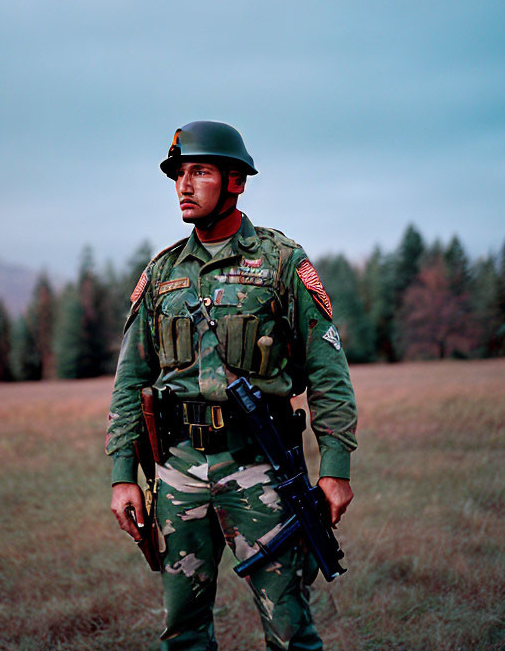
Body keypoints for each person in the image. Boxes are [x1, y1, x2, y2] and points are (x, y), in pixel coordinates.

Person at [106, 120, 358, 650]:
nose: (184, 184)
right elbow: (130, 381)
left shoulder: (281, 263)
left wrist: (335, 467)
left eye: (199, 171)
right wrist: (122, 474)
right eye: (179, 174)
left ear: (235, 181)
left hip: (260, 470)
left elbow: (328, 372)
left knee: (291, 633)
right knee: (183, 635)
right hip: (177, 477)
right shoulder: (161, 274)